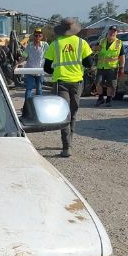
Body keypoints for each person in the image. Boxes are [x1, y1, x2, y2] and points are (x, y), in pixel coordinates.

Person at [43, 18, 94, 158]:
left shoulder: (55, 44)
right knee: (73, 113)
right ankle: (69, 142)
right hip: (77, 82)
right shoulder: (81, 43)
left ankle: (66, 147)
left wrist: (57, 71)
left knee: (64, 114)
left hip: (61, 83)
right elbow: (89, 63)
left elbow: (47, 68)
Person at [94, 26, 125, 106]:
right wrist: (95, 48)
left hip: (112, 68)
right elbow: (94, 50)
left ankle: (108, 100)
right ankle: (100, 98)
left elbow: (122, 57)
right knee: (98, 83)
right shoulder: (102, 41)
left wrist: (122, 68)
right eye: (111, 31)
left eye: (114, 32)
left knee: (110, 85)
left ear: (116, 33)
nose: (112, 33)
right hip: (101, 67)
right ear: (108, 32)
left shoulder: (119, 43)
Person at [22, 28, 48, 100]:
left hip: (40, 72)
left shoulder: (45, 45)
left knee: (39, 90)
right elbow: (24, 56)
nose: (37, 37)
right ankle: (26, 106)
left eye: (39, 36)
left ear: (42, 37)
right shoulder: (29, 46)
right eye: (36, 36)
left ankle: (39, 107)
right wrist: (17, 64)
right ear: (34, 36)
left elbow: (50, 56)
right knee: (28, 89)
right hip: (30, 71)